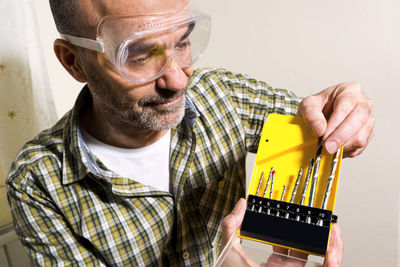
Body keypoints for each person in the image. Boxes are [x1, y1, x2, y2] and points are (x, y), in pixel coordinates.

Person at [7, 0, 374, 266]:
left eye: (182, 42)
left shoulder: (224, 94)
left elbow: (322, 124)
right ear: (74, 61)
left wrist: (344, 112)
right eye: (139, 55)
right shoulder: (38, 180)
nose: (179, 78)